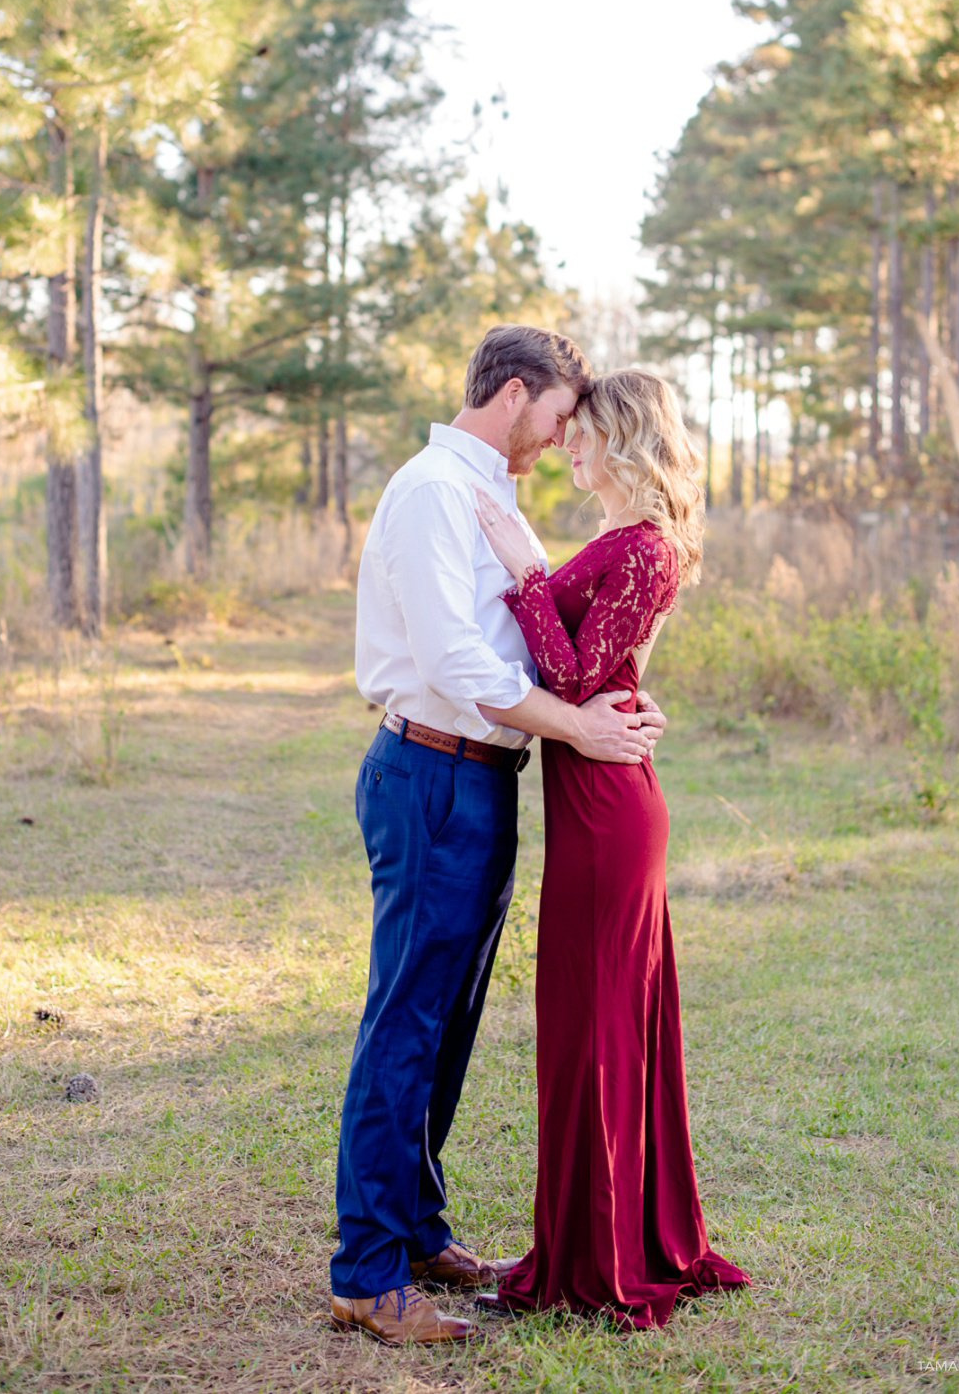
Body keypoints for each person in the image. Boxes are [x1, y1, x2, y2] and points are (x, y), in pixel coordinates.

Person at [329, 327, 669, 1348]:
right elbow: (456, 659)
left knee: (449, 1021)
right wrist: (582, 728)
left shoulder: (489, 494)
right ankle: (366, 1271)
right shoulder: (435, 489)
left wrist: (625, 703)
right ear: (515, 395)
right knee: (405, 1021)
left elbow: (543, 642)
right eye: (560, 415)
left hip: (482, 778)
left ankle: (418, 1229)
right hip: (431, 770)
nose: (565, 437)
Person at [473, 369, 751, 1330]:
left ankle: (597, 1261)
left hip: (606, 811)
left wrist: (523, 573)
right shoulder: (628, 543)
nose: (568, 449)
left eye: (582, 434)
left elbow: (575, 677)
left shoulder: (640, 547)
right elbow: (604, 682)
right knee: (597, 1025)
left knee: (597, 1028)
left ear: (622, 438)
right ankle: (593, 1237)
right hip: (600, 798)